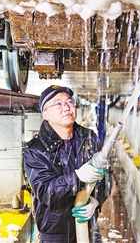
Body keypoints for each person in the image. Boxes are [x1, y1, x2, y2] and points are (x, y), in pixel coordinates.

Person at [23, 85, 111, 243]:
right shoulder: (36, 150)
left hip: (88, 226)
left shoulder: (88, 137)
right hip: (56, 234)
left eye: (69, 102)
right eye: (57, 104)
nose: (66, 107)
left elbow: (106, 178)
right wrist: (77, 177)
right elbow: (46, 193)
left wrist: (96, 201)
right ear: (45, 114)